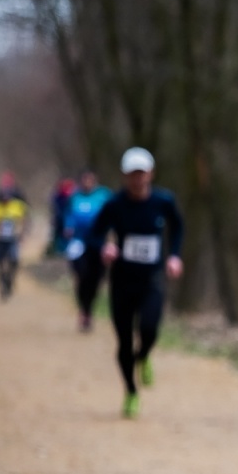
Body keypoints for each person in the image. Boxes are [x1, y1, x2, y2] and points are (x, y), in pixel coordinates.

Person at [88, 147, 185, 419]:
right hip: (122, 281)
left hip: (152, 279)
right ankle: (131, 391)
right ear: (124, 176)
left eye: (141, 173)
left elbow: (178, 227)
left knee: (149, 329)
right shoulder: (115, 204)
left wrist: (174, 255)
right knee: (124, 342)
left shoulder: (163, 202)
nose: (137, 179)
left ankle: (143, 357)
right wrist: (105, 247)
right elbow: (94, 234)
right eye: (132, 174)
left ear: (150, 174)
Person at [66, 170, 115, 331]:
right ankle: (83, 309)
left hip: (99, 244)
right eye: (85, 179)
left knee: (96, 279)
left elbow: (113, 215)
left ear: (95, 180)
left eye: (90, 179)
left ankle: (89, 309)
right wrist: (68, 227)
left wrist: (111, 237)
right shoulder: (74, 196)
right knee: (81, 276)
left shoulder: (104, 196)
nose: (87, 182)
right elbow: (68, 215)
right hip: (78, 243)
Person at [0, 174, 29, 300]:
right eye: (3, 198)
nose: (5, 200)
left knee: (14, 261)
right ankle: (2, 284)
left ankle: (10, 279)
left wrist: (22, 233)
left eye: (7, 198)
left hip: (13, 238)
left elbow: (24, 220)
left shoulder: (17, 206)